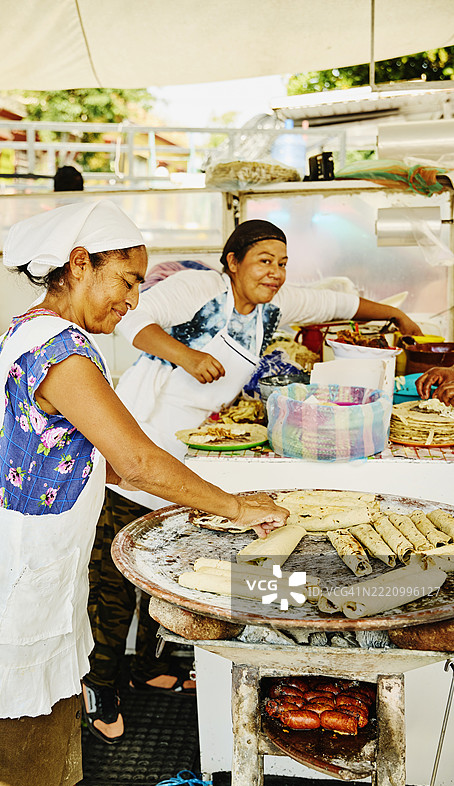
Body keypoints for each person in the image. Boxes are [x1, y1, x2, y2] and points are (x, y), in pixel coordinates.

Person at [0, 201, 288, 786]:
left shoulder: (30, 330)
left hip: (28, 576)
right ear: (79, 264)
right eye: (126, 279)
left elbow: (113, 464)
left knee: (48, 748)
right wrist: (237, 508)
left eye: (140, 282)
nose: (134, 299)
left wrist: (194, 504)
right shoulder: (60, 354)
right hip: (7, 584)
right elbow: (137, 460)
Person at [84, 218, 423, 743]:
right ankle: (99, 687)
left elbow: (339, 306)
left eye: (283, 262)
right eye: (265, 259)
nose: (277, 271)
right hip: (136, 448)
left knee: (165, 566)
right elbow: (135, 321)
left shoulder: (271, 310)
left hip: (191, 460)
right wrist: (187, 355)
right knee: (115, 585)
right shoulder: (200, 289)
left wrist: (398, 313)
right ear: (233, 261)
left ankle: (145, 667)